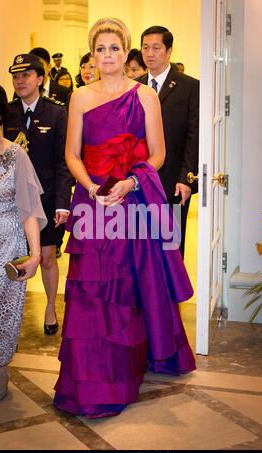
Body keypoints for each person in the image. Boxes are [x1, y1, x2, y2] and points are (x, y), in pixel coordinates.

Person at [53, 17, 195, 419]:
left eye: (115, 48)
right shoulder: (79, 96)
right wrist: (93, 189)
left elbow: (158, 154)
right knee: (89, 290)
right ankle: (91, 375)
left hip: (130, 202)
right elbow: (72, 154)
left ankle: (126, 365)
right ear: (92, 53)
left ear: (126, 51)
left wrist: (131, 183)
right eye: (100, 49)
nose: (107, 56)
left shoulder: (145, 96)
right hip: (93, 202)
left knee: (129, 287)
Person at [0, 82, 47, 401]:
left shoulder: (15, 155)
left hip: (6, 246)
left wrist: (34, 254)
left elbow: (29, 209)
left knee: (0, 310)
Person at [3, 54, 73, 335]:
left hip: (45, 200)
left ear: (41, 79)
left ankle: (49, 308)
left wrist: (62, 204)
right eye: (15, 76)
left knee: (46, 257)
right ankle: (12, 316)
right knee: (14, 258)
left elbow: (63, 163)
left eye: (26, 76)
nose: (20, 81)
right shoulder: (5, 113)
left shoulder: (57, 113)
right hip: (12, 199)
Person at [138, 26, 199, 257]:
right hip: (140, 180)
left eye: (156, 48)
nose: (150, 53)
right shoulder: (135, 86)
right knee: (142, 245)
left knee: (170, 247)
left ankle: (170, 294)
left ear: (169, 50)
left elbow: (194, 136)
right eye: (145, 47)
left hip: (173, 180)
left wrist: (186, 178)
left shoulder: (190, 86)